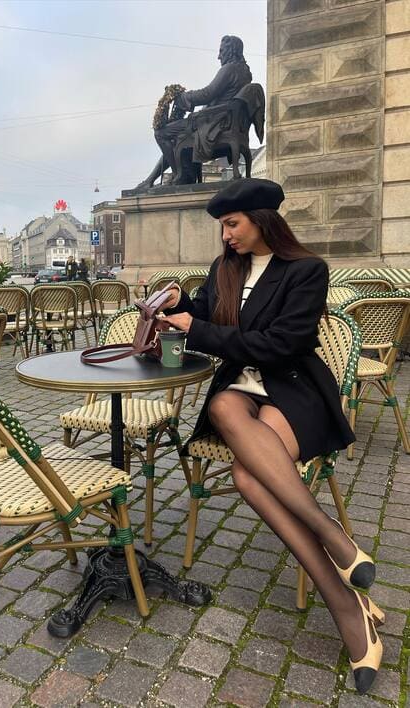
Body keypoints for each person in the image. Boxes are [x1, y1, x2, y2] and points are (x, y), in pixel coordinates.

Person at [160, 178, 383, 695]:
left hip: (292, 388)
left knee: (247, 475)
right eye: (222, 226)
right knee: (221, 403)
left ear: (263, 220)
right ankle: (337, 548)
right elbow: (206, 313)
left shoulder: (306, 271)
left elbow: (281, 346)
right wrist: (180, 303)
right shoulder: (225, 269)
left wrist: (197, 329)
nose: (226, 234)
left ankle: (346, 604)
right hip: (239, 391)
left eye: (232, 224)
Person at [139, 35, 253, 187]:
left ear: (230, 50)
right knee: (176, 136)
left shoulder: (229, 69)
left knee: (161, 133)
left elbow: (208, 94)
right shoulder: (245, 72)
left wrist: (183, 97)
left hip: (215, 124)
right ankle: (153, 180)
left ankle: (178, 175)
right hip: (224, 121)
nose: (219, 56)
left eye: (221, 51)